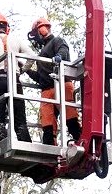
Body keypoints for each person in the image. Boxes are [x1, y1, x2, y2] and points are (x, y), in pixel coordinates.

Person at [24, 17, 81, 146]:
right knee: (47, 123)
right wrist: (26, 70)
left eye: (35, 34)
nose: (35, 38)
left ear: (42, 29)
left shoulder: (57, 41)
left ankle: (80, 139)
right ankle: (50, 146)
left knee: (70, 117)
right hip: (47, 89)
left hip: (61, 84)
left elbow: (63, 51)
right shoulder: (42, 54)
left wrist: (59, 57)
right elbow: (40, 77)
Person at [0, 13, 33, 142]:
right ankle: (24, 143)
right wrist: (22, 70)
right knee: (20, 118)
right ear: (6, 28)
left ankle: (2, 144)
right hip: (14, 80)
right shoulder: (16, 40)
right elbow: (31, 56)